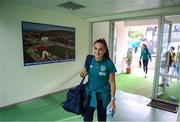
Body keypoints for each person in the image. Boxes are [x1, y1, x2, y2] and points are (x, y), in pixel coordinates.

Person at [80, 38, 117, 122]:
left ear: (105, 50)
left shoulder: (109, 63)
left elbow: (112, 82)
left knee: (102, 119)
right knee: (87, 118)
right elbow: (83, 73)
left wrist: (113, 99)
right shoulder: (89, 59)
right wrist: (82, 74)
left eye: (100, 49)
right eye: (95, 48)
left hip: (103, 96)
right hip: (90, 94)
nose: (97, 51)